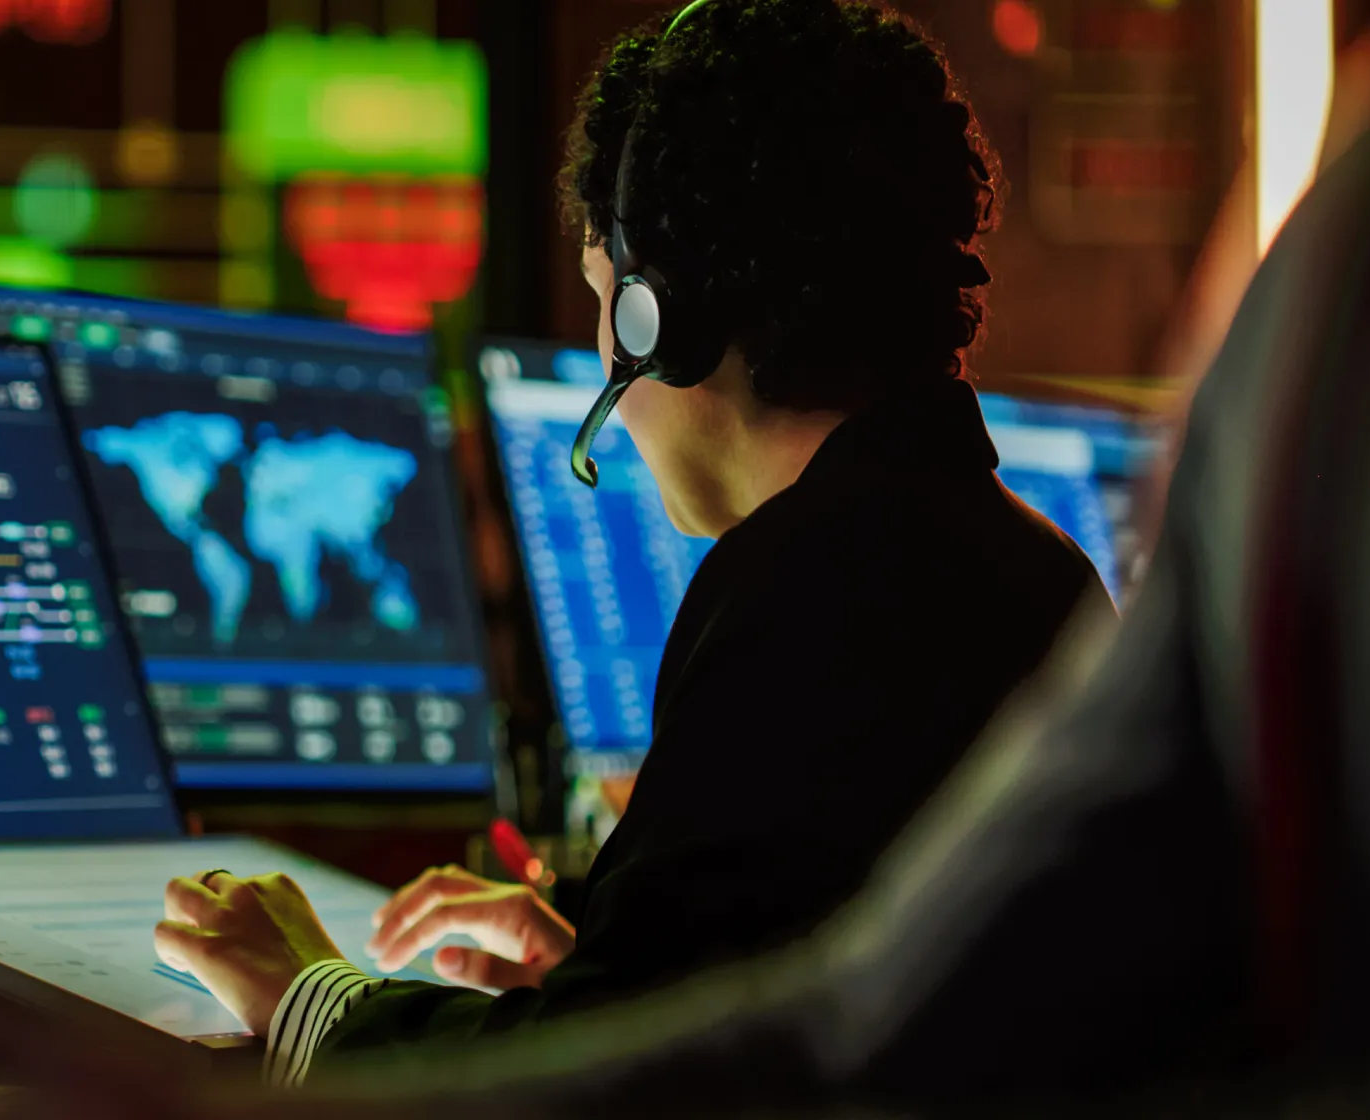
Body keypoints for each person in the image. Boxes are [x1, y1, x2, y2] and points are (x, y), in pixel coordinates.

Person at [153, 0, 1111, 1084]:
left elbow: (612, 1116)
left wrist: (310, 998)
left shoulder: (808, 592)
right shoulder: (1032, 571)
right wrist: (610, 979)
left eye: (605, 300)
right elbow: (802, 1015)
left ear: (667, 318)